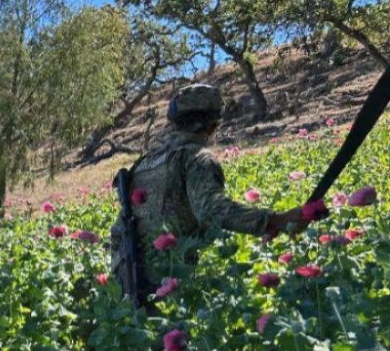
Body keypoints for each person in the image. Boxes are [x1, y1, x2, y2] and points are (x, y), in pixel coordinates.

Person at [111, 83, 308, 303]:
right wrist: (275, 221)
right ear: (213, 125)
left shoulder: (144, 163)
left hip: (125, 280)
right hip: (165, 280)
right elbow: (212, 209)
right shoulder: (195, 158)